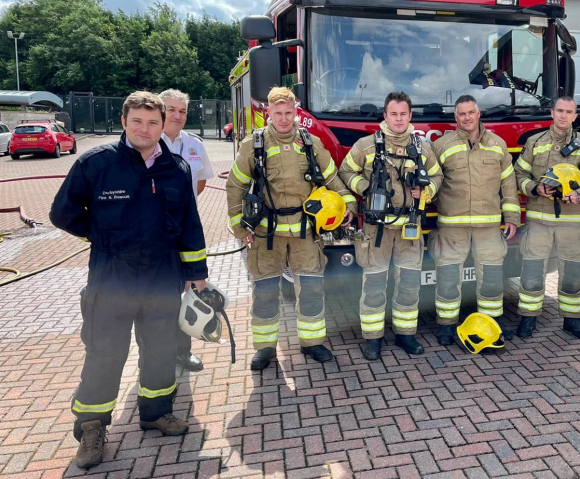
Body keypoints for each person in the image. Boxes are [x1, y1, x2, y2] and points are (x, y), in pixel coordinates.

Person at [50, 91, 208, 469]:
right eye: (138, 120)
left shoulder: (176, 168)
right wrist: (101, 236)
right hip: (112, 278)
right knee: (105, 353)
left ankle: (156, 412)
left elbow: (190, 224)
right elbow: (62, 213)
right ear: (124, 121)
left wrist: (197, 274)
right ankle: (91, 427)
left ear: (162, 124)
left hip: (162, 278)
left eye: (153, 122)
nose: (145, 128)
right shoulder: (96, 164)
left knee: (160, 349)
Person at [226, 87, 356, 370]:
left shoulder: (311, 143)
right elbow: (235, 186)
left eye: (289, 113)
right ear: (269, 113)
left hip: (305, 234)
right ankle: (264, 349)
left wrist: (349, 207)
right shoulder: (253, 144)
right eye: (278, 113)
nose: (284, 119)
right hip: (266, 234)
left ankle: (312, 342)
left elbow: (333, 179)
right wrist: (239, 227)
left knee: (311, 290)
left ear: (296, 112)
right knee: (265, 293)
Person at [339, 91, 443, 360]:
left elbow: (438, 175)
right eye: (393, 114)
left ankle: (406, 335)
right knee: (374, 284)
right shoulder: (365, 145)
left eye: (403, 114)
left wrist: (427, 191)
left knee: (409, 283)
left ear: (410, 116)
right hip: (377, 231)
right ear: (385, 116)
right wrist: (366, 188)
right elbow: (345, 171)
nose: (398, 119)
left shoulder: (422, 147)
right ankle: (373, 339)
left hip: (410, 226)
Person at [429, 95, 520, 344]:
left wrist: (511, 216)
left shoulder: (498, 145)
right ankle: (447, 326)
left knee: (491, 279)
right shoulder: (442, 145)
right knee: (447, 278)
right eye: (461, 114)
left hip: (488, 227)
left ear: (479, 114)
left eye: (471, 112)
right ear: (455, 117)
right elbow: (432, 182)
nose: (467, 118)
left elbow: (508, 184)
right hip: (452, 227)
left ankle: (492, 325)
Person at [513, 96, 580, 339]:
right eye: (559, 110)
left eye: (569, 112)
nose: (563, 116)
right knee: (532, 272)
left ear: (575, 116)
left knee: (572, 273)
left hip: (570, 222)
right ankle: (528, 319)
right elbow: (519, 173)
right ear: (552, 113)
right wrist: (535, 188)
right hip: (538, 221)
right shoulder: (534, 142)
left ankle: (572, 321)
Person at [159, 88, 215, 372]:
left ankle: (183, 351)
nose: (177, 116)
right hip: (154, 233)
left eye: (182, 111)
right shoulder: (147, 143)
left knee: (187, 291)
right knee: (158, 294)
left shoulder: (194, 145)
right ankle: (156, 354)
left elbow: (201, 183)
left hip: (185, 229)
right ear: (160, 111)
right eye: (171, 110)